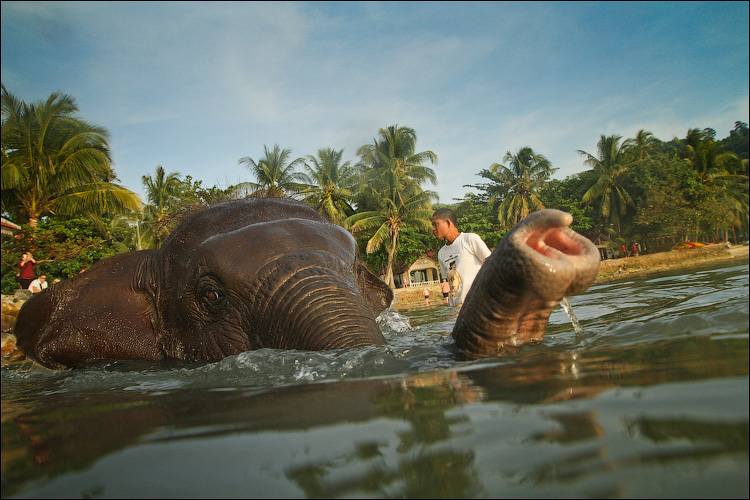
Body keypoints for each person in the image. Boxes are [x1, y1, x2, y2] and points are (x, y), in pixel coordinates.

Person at [432, 208, 491, 306]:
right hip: (457, 307)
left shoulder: (469, 239)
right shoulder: (441, 253)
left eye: (436, 224)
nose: (433, 228)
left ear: (448, 222)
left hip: (479, 303)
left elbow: (490, 264)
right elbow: (449, 281)